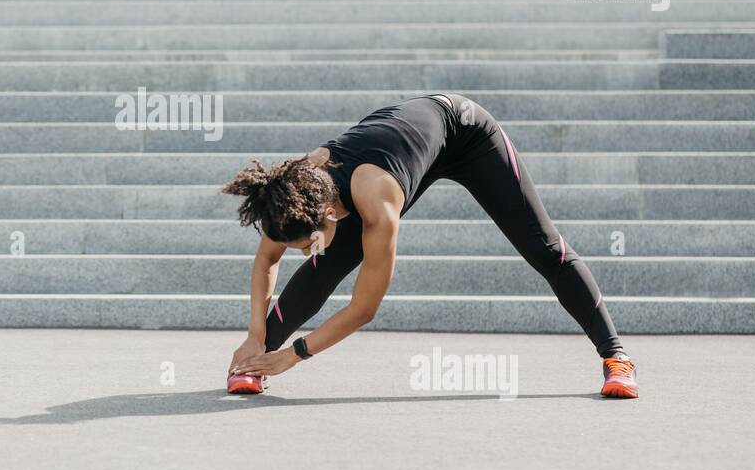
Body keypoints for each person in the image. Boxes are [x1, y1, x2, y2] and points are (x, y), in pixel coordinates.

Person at [221, 93, 637, 398]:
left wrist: (295, 354)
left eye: (305, 243)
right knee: (326, 264)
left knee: (544, 248)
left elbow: (364, 308)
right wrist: (255, 334)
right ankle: (256, 358)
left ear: (329, 214)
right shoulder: (291, 191)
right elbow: (266, 262)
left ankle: (615, 356)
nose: (302, 251)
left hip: (467, 133)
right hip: (396, 144)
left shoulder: (377, 202)